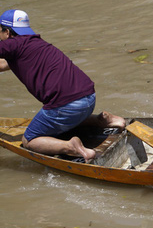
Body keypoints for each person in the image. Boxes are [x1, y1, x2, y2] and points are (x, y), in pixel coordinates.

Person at [0, 9, 126, 161]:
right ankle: (104, 120)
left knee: (29, 140)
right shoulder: (35, 43)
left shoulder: (12, 44)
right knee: (66, 116)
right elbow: (5, 64)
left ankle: (72, 147)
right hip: (88, 99)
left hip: (67, 106)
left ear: (7, 32)